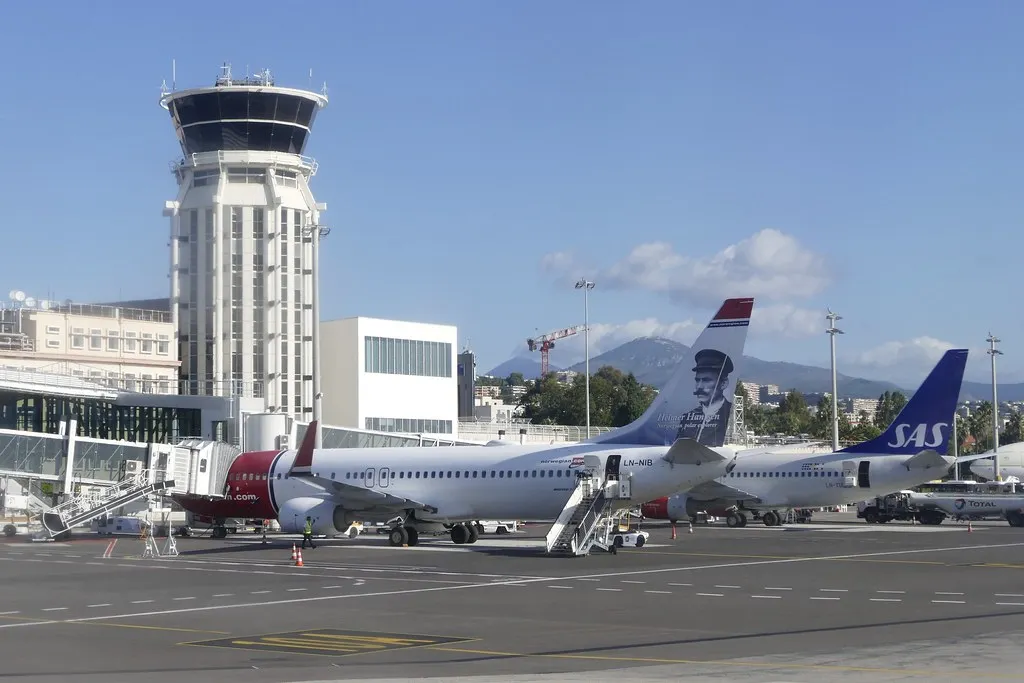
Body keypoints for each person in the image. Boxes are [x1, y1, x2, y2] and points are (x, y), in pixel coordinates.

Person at [675, 348, 734, 446]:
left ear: (723, 384)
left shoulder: (731, 415)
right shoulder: (688, 417)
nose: (699, 386)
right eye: (697, 380)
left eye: (706, 380)